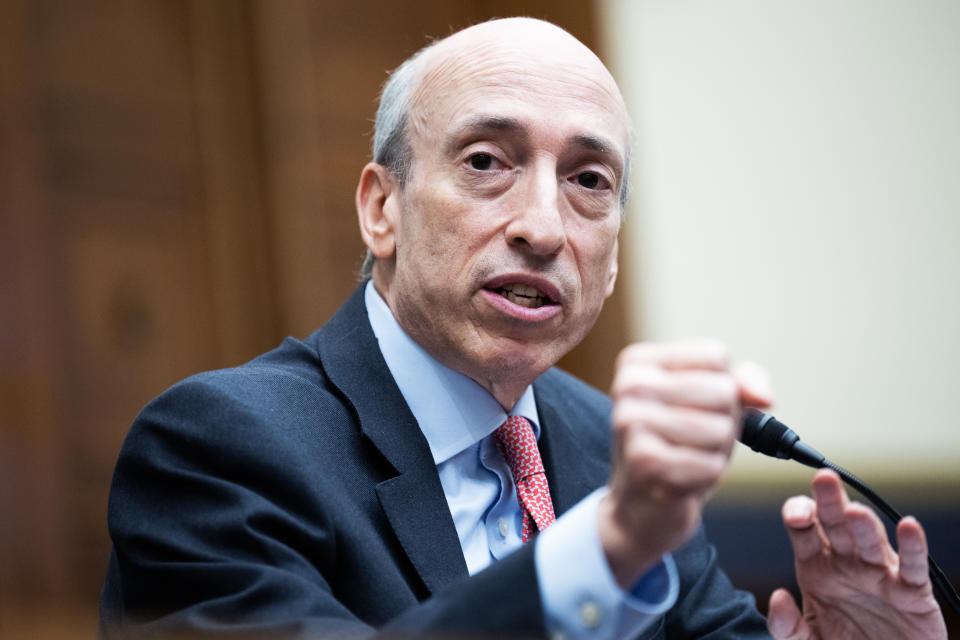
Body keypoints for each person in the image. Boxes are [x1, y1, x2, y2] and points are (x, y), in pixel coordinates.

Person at [100, 17, 948, 640]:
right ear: (381, 208)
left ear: (613, 257)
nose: (543, 227)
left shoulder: (605, 446)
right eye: (486, 162)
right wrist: (604, 551)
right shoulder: (221, 447)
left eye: (587, 179)